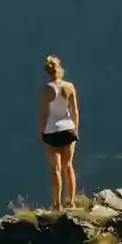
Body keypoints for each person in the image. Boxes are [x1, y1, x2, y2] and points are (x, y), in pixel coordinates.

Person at [37, 55, 80, 211]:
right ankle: (71, 200)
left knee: (55, 168)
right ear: (60, 69)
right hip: (68, 128)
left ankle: (57, 204)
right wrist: (76, 128)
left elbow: (44, 114)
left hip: (52, 130)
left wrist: (41, 131)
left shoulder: (46, 89)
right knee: (68, 165)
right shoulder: (69, 87)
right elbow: (74, 110)